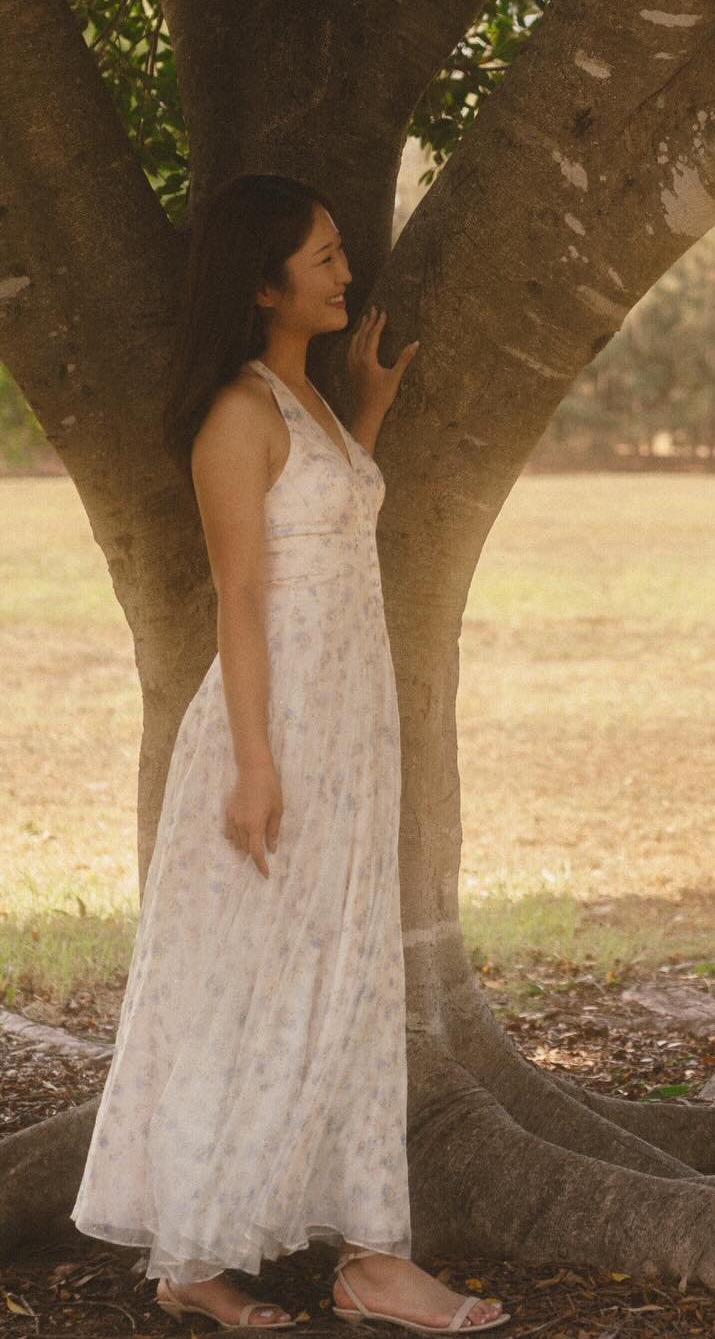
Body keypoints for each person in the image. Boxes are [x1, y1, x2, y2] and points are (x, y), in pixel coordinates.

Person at [71, 175, 508, 1334]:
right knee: (250, 981)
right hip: (279, 731)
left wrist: (362, 413)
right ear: (262, 283)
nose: (344, 269)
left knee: (351, 976)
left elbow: (328, 518)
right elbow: (244, 600)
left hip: (352, 729)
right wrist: (255, 767)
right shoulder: (237, 415)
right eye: (321, 257)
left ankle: (373, 1256)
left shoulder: (303, 400)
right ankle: (198, 1256)